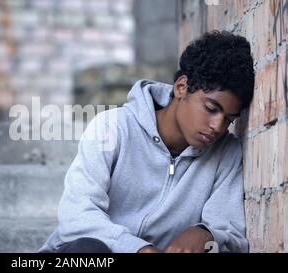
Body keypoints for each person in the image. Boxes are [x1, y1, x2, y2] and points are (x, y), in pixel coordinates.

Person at [38, 30, 255, 253]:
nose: (217, 126)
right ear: (181, 87)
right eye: (211, 109)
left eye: (229, 119)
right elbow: (76, 217)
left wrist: (206, 234)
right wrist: (139, 249)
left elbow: (232, 234)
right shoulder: (111, 128)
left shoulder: (226, 153)